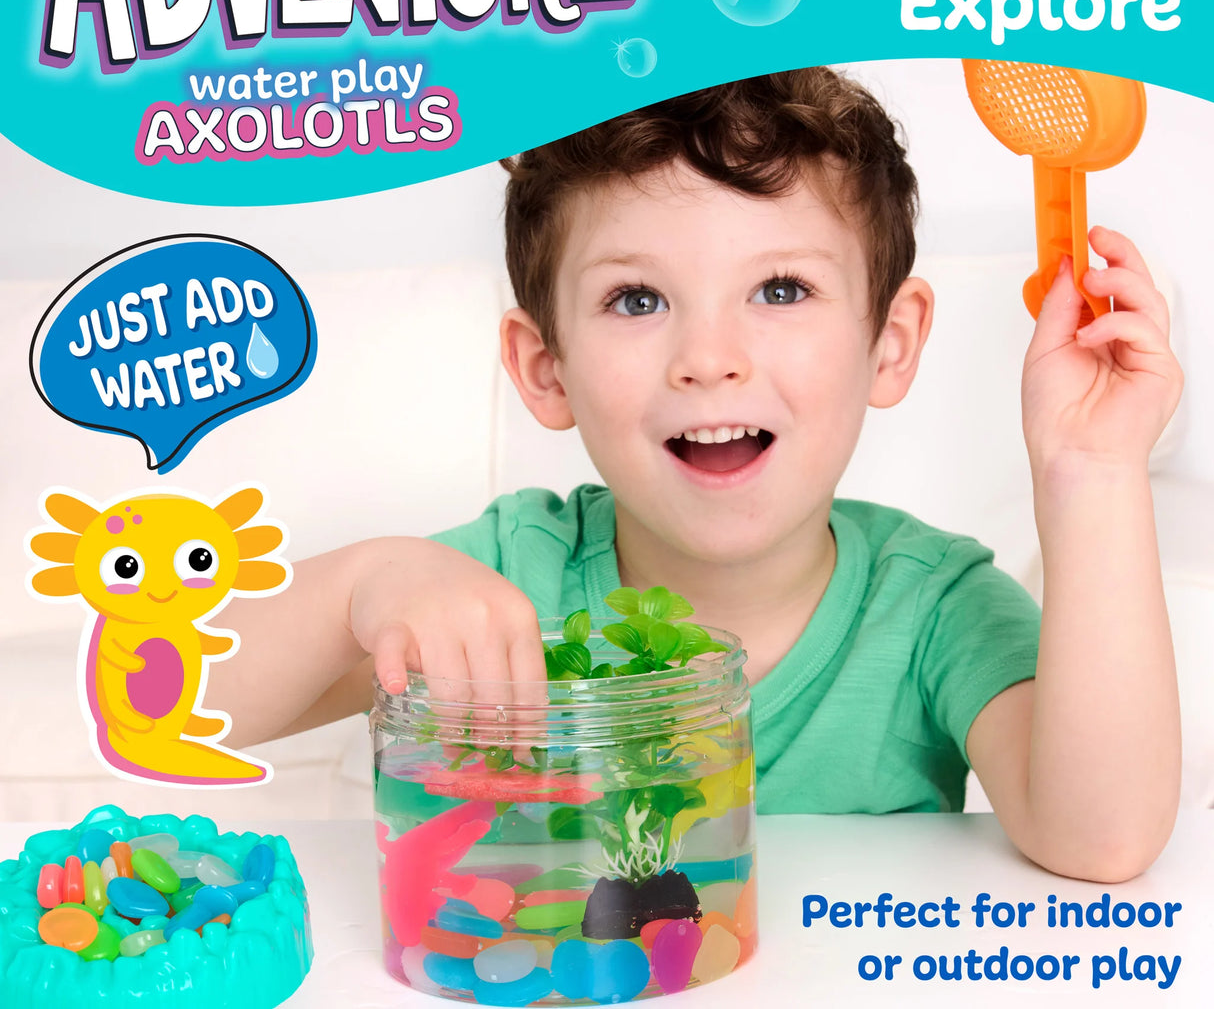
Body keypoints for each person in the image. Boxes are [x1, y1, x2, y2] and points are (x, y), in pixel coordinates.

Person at [210, 69, 1183, 882]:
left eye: (778, 288)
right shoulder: (514, 575)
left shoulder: (930, 604)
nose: (707, 356)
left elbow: (1098, 837)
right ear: (544, 368)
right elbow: (178, 699)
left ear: (888, 342)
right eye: (635, 297)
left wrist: (1092, 470)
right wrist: (363, 584)